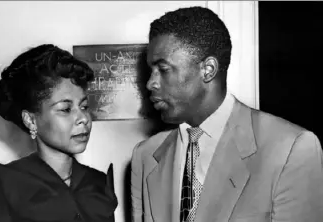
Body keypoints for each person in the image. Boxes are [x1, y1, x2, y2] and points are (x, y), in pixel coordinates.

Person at [131, 6, 323, 222]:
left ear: (208, 69)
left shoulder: (291, 149)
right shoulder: (145, 155)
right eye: (150, 71)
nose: (151, 83)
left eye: (163, 69)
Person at [0, 44, 117, 222]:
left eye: (84, 106)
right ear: (30, 120)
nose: (83, 118)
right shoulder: (3, 186)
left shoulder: (98, 182)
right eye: (65, 109)